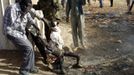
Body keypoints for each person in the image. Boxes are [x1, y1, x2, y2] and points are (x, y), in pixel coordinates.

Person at [3, 0, 39, 75]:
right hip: (11, 31)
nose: (29, 10)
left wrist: (36, 27)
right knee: (28, 48)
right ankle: (24, 71)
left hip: (20, 32)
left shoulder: (26, 9)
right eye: (28, 8)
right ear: (24, 6)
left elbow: (29, 18)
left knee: (30, 47)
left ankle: (31, 67)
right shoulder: (12, 8)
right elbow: (14, 25)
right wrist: (22, 14)